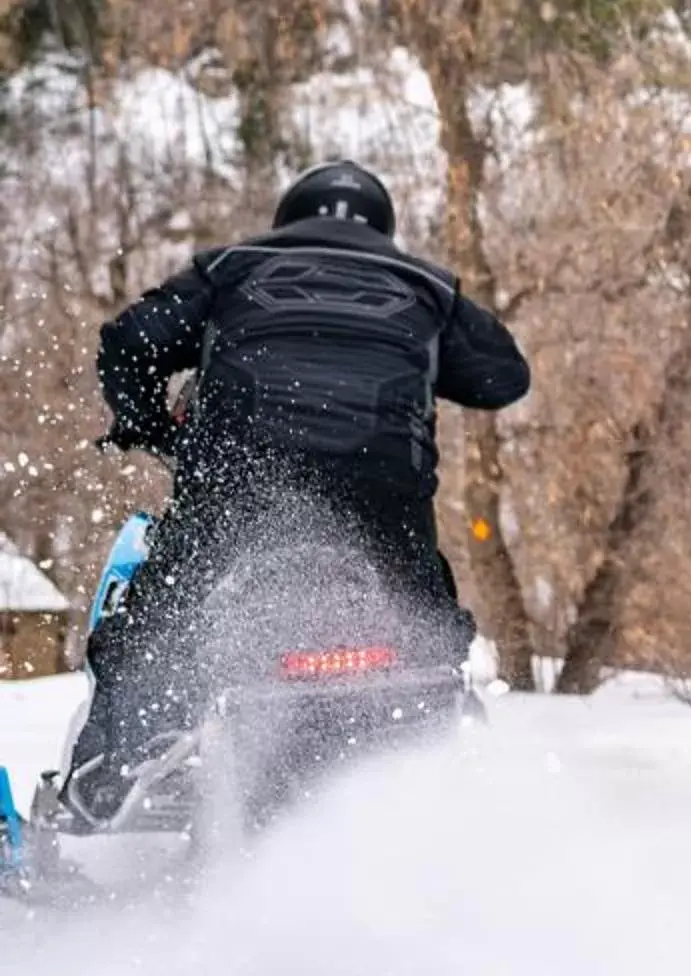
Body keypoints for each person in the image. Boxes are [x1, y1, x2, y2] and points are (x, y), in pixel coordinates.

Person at [64, 161, 529, 822]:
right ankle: (448, 776)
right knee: (430, 637)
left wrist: (146, 425)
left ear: (289, 217)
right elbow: (505, 377)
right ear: (384, 230)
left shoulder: (231, 268)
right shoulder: (428, 287)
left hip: (242, 487)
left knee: (156, 619)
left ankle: (109, 779)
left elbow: (129, 341)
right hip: (381, 506)